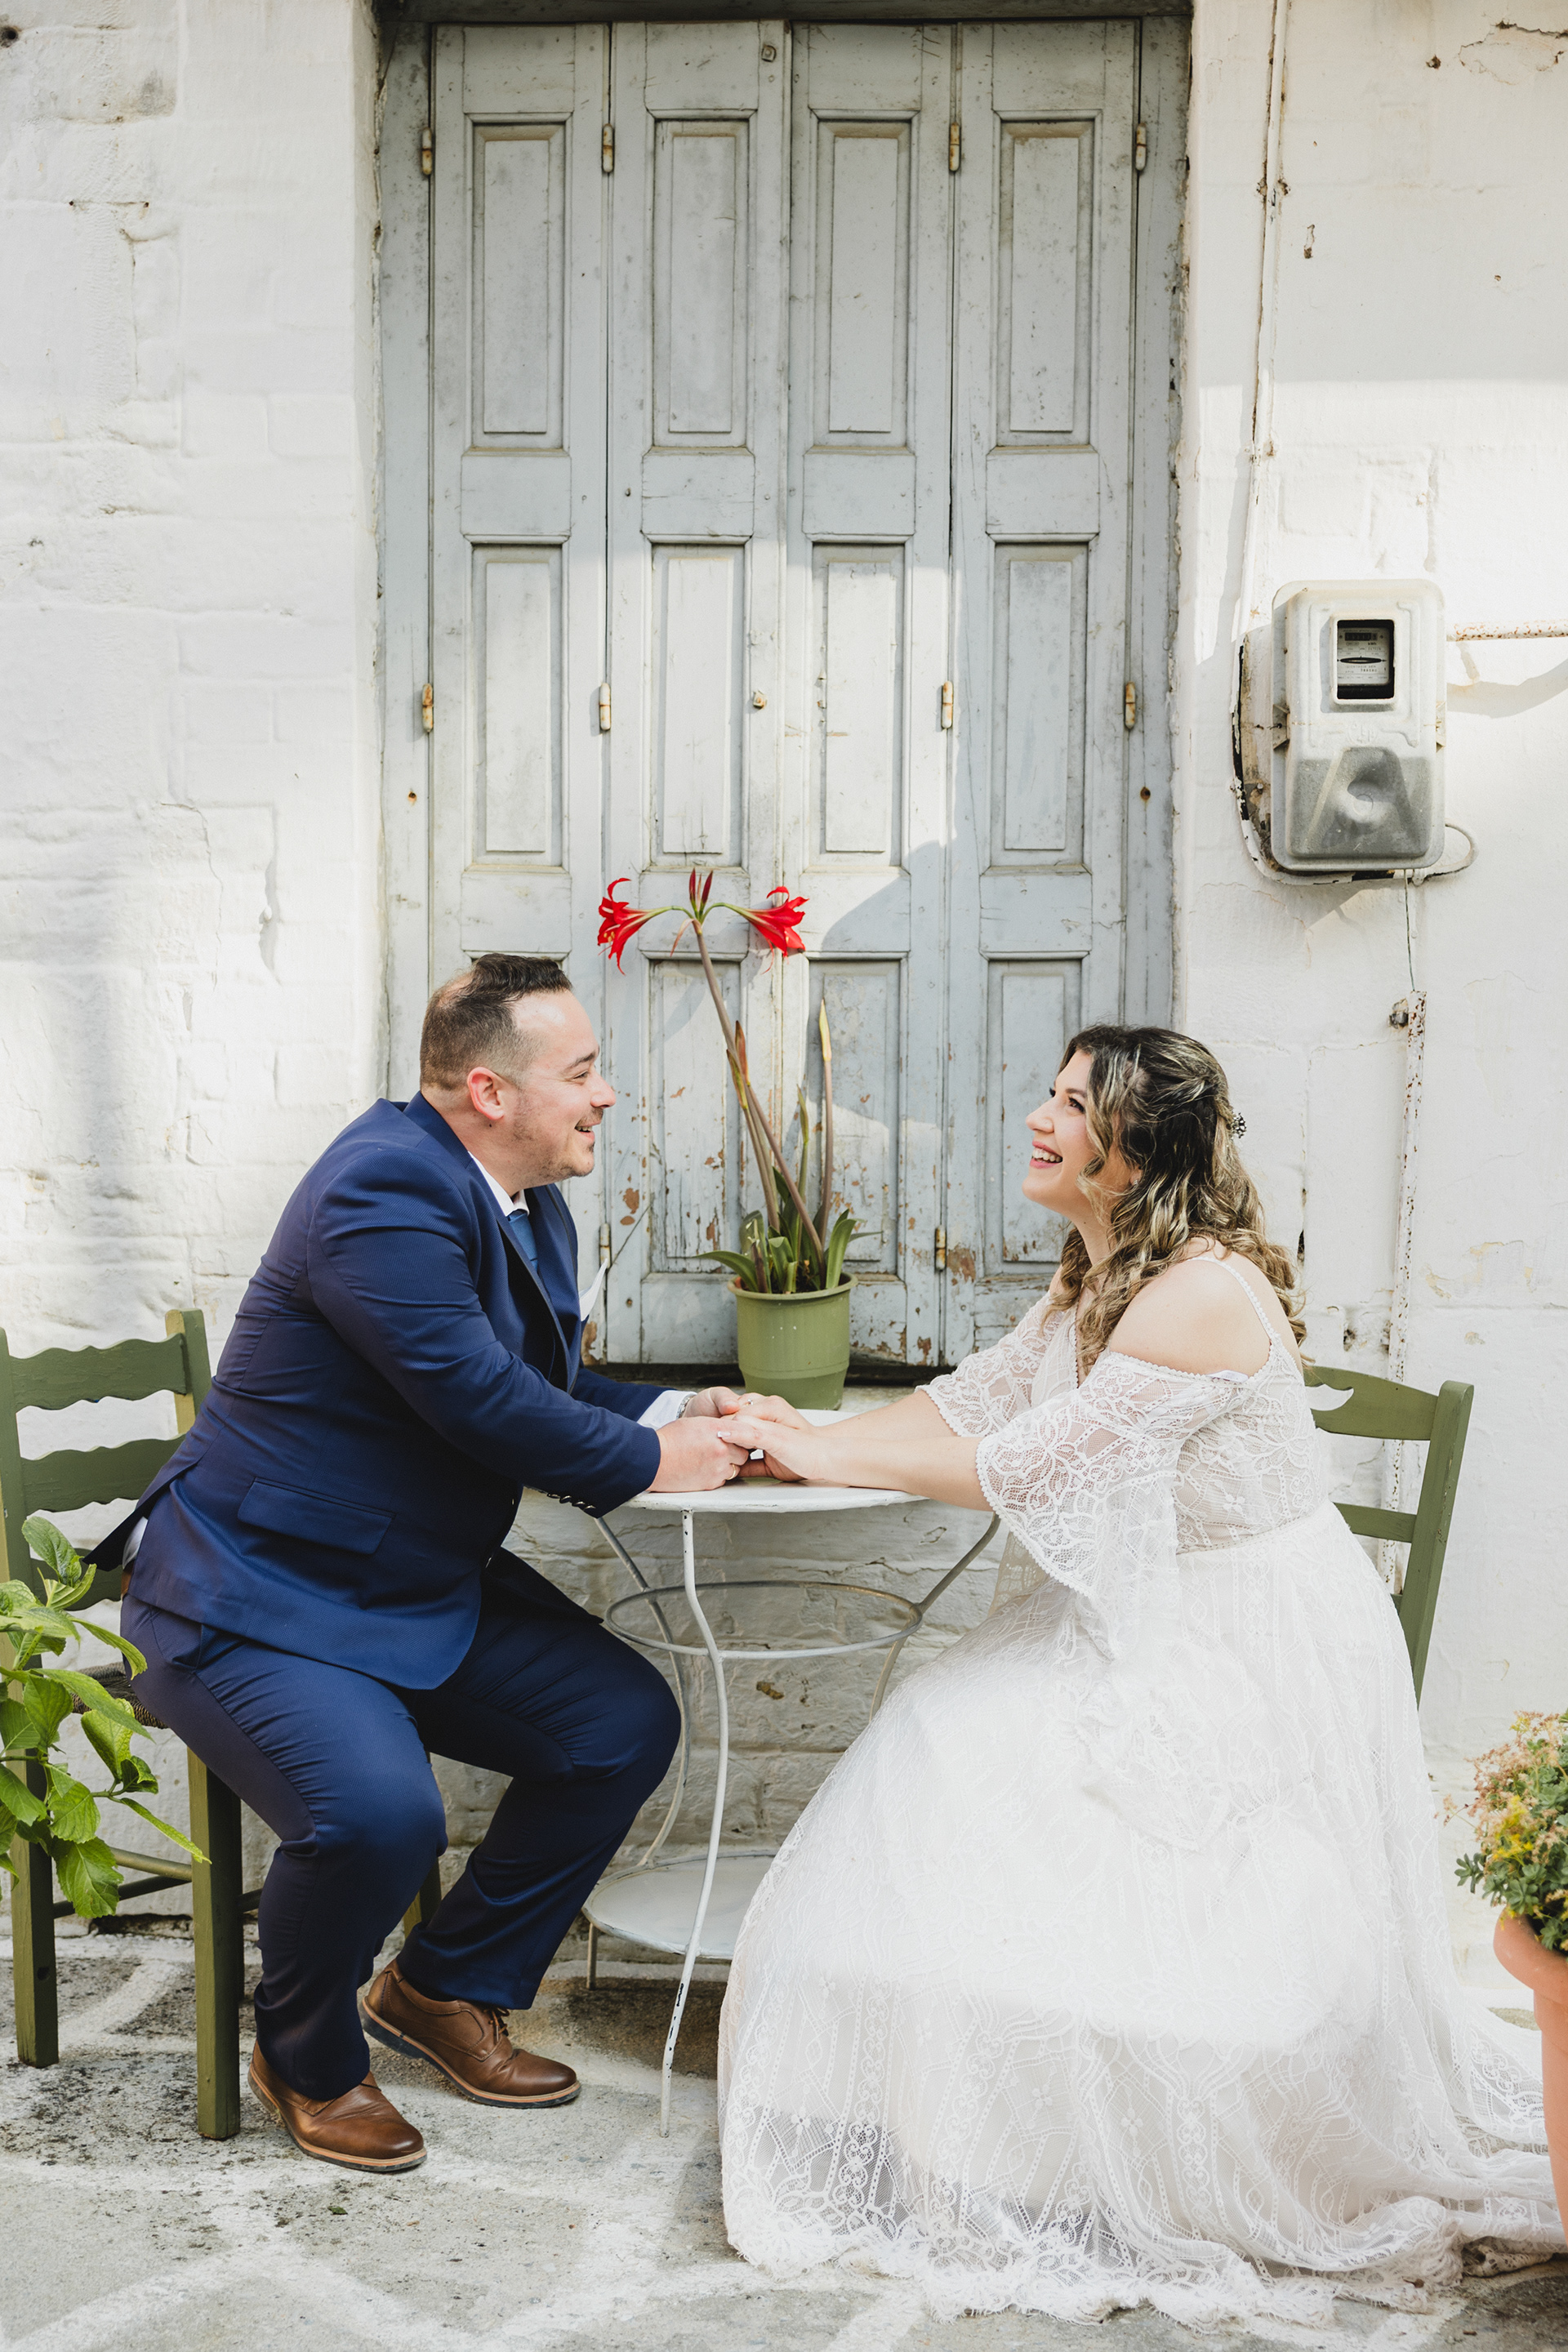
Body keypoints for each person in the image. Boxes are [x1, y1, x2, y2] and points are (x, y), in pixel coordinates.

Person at [716, 1027, 1558, 2328]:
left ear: (1135, 1149)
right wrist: (806, 1428)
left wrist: (823, 1458)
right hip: (1155, 1599)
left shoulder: (1197, 1294)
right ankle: (985, 2123)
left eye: (1072, 1103)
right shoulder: (1099, 1269)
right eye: (1050, 1092)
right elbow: (974, 1405)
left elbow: (1035, 1466)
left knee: (984, 1760)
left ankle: (1126, 2141)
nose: (1039, 1117)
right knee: (945, 1735)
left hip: (1246, 1630)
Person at [114, 954, 754, 2173]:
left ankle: (441, 1986)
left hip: (400, 1580)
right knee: (376, 1816)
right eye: (582, 1071)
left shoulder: (523, 1196)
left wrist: (686, 1409)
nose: (606, 1093)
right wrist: (655, 1461)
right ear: (489, 1092)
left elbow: (538, 1382)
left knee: (617, 1723)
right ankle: (305, 2057)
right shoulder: (383, 1187)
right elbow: (473, 1398)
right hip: (252, 1592)